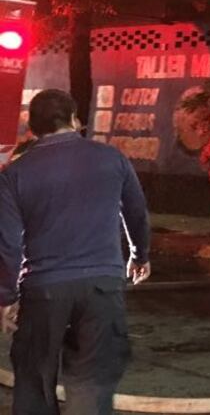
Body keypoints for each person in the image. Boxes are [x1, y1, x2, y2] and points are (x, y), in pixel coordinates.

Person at [0, 89, 150, 414]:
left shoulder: (14, 173)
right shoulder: (112, 158)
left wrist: (6, 297)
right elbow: (136, 213)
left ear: (33, 128)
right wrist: (139, 255)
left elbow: (8, 243)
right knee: (92, 386)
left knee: (33, 382)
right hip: (103, 286)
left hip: (43, 290)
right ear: (73, 119)